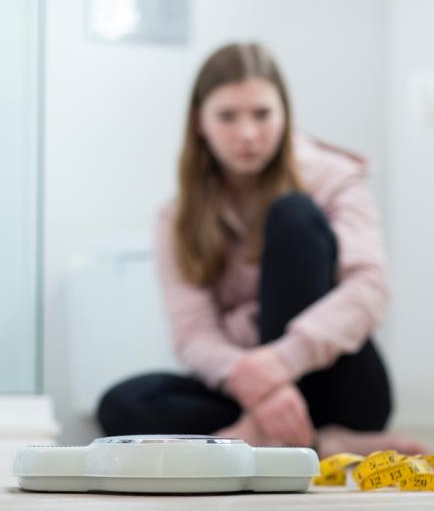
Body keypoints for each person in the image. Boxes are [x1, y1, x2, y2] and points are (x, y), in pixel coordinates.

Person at [96, 42, 427, 457]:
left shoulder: (336, 178)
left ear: (285, 115)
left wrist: (282, 362)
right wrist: (251, 382)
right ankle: (318, 443)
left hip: (336, 384)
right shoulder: (176, 216)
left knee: (294, 215)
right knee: (122, 405)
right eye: (228, 116)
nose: (248, 133)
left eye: (262, 114)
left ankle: (249, 440)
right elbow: (193, 334)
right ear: (201, 122)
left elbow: (370, 288)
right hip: (248, 389)